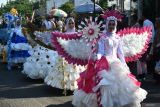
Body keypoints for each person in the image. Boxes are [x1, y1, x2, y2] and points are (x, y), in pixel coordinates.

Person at [72, 10, 147, 107]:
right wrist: (97, 58)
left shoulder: (117, 38)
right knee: (104, 85)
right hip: (105, 63)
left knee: (121, 85)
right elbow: (101, 52)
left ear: (115, 25)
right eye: (110, 24)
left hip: (116, 63)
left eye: (113, 24)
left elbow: (120, 53)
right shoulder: (103, 37)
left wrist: (124, 64)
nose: (111, 26)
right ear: (107, 25)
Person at [44, 17, 85, 91]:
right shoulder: (64, 34)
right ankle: (63, 86)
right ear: (66, 24)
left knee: (75, 72)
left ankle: (74, 86)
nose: (71, 25)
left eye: (72, 23)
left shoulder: (78, 34)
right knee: (64, 70)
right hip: (66, 56)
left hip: (75, 56)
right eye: (69, 23)